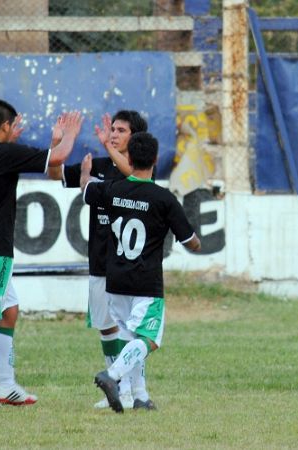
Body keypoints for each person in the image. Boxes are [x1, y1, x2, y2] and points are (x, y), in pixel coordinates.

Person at [0, 99, 83, 409]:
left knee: (9, 311)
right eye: (14, 126)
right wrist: (68, 135)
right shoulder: (4, 154)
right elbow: (61, 157)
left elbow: (9, 160)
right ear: (7, 126)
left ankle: (6, 385)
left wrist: (44, 147)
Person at [82, 132, 201, 413]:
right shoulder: (163, 199)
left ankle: (140, 395)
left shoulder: (112, 189)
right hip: (145, 283)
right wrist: (196, 241)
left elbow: (86, 190)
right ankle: (111, 377)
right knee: (149, 339)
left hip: (116, 280)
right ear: (156, 160)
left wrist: (86, 173)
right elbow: (191, 242)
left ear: (130, 159)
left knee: (128, 336)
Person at [47, 110, 148, 410]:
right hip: (99, 262)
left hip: (128, 266)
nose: (114, 134)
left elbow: (131, 175)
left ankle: (133, 391)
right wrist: (59, 142)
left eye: (121, 130)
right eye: (112, 129)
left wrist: (106, 151)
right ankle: (117, 388)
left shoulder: (141, 169)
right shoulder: (99, 166)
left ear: (136, 137)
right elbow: (56, 174)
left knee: (131, 330)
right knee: (106, 327)